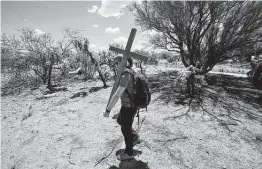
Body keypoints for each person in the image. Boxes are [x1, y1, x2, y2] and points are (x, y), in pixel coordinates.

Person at [103, 55, 140, 161]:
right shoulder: (131, 72)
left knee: (125, 129)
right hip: (130, 105)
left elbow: (117, 94)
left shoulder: (125, 76)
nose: (115, 67)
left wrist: (107, 110)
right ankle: (134, 137)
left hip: (129, 106)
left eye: (115, 64)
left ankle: (129, 153)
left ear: (121, 63)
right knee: (120, 120)